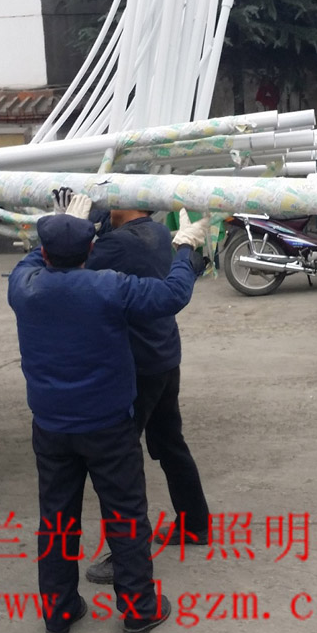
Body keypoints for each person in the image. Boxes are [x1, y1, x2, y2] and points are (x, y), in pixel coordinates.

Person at [7, 208, 208, 633]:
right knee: (126, 516)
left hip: (51, 426)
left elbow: (32, 257)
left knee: (56, 519)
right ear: (90, 250)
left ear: (45, 252)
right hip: (108, 425)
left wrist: (63, 221)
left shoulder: (23, 286)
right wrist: (185, 249)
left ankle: (59, 612)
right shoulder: (108, 288)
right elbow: (172, 295)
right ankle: (139, 610)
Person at [83, 204, 211, 586]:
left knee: (120, 460)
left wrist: (75, 227)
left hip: (136, 365)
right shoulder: (155, 232)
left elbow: (68, 270)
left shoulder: (116, 245)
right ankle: (195, 523)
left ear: (125, 203)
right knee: (170, 443)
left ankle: (126, 556)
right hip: (164, 355)